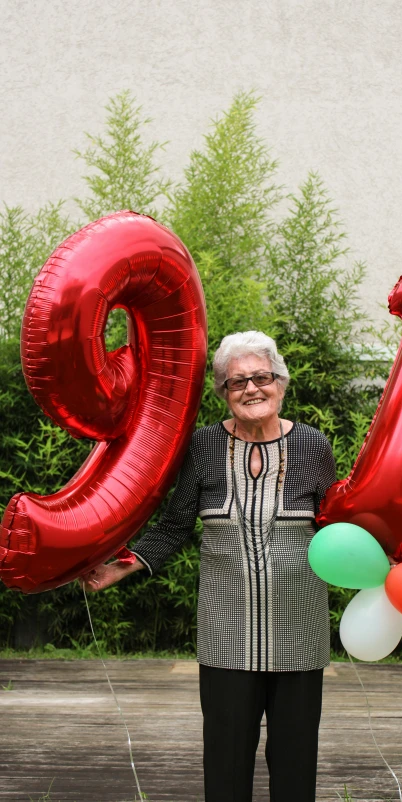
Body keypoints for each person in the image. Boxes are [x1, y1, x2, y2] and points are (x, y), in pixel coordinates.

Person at [80, 330, 336, 802]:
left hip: (300, 632)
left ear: (281, 383)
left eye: (261, 377)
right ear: (223, 392)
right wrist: (126, 563)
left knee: (296, 764)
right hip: (226, 634)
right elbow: (176, 523)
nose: (251, 389)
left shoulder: (312, 446)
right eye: (236, 382)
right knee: (226, 762)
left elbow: (337, 526)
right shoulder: (203, 446)